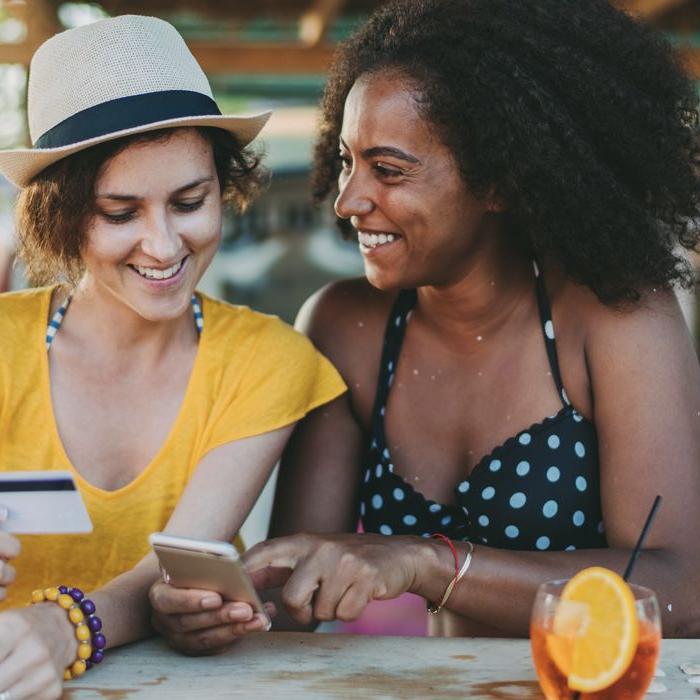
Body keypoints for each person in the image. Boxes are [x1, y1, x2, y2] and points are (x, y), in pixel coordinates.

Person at [151, 0, 700, 649]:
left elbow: (680, 587)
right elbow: (297, 600)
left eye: (389, 170)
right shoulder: (344, 325)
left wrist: (427, 559)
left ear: (500, 180)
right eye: (349, 161)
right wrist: (219, 608)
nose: (349, 199)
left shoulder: (617, 315)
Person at [0, 14, 345, 699]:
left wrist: (65, 626)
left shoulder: (264, 359)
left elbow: (176, 570)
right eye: (121, 213)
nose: (162, 246)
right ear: (63, 216)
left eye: (189, 202)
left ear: (225, 190)